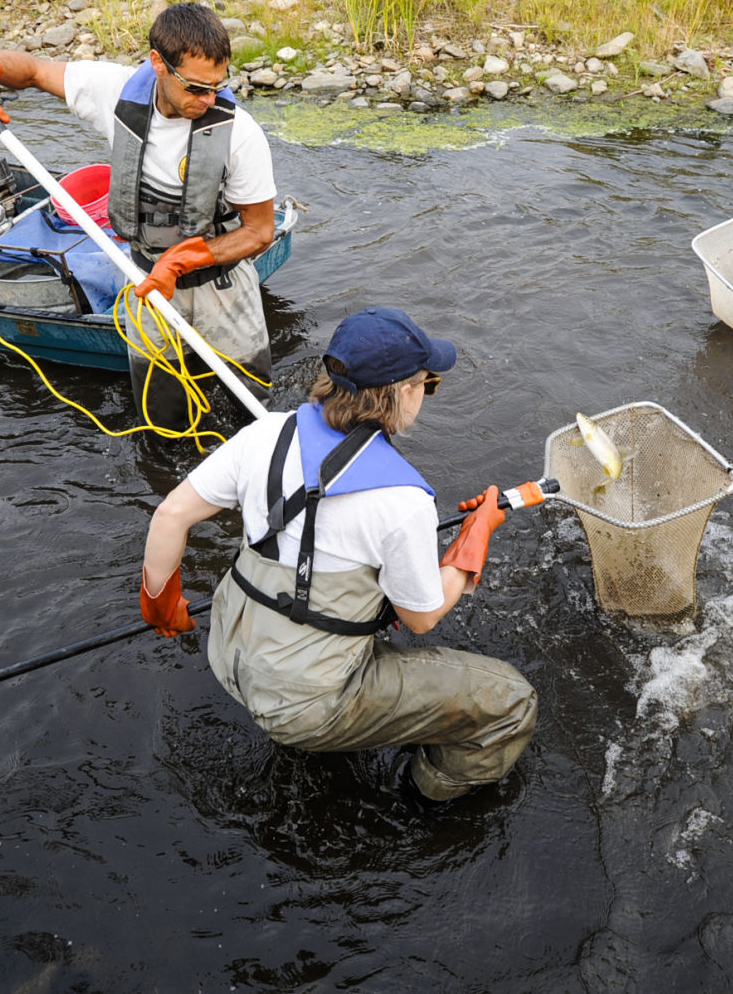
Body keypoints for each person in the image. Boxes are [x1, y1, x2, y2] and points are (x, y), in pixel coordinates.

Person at [138, 307, 539, 806]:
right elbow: (422, 617)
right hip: (306, 703)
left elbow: (170, 517)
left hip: (228, 654)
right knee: (511, 702)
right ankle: (423, 801)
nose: (426, 395)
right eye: (426, 384)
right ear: (400, 392)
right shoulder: (404, 500)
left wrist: (159, 600)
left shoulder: (268, 433)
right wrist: (474, 539)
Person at [0, 2, 276, 426]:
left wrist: (183, 259)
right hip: (145, 280)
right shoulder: (115, 92)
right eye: (195, 88)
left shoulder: (240, 133)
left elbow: (260, 232)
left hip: (221, 283)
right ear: (158, 63)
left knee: (249, 400)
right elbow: (30, 70)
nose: (208, 99)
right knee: (162, 409)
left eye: (217, 86)